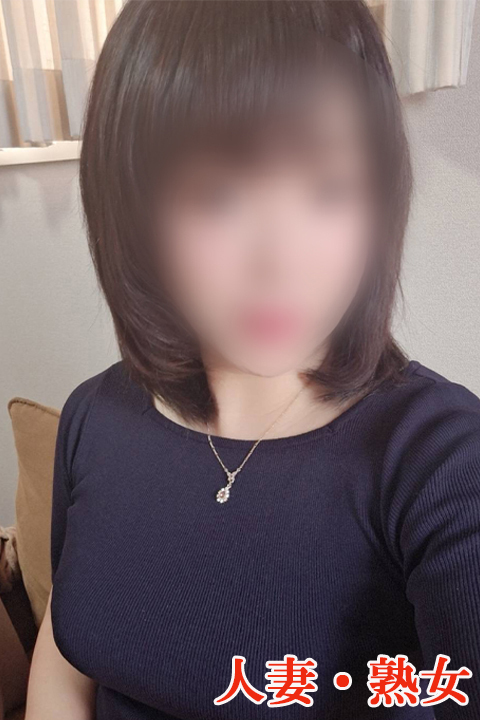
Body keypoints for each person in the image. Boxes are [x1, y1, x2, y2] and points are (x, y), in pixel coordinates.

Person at [25, 1, 480, 719]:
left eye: (329, 190)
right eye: (218, 196)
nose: (281, 261)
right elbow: (68, 653)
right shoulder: (95, 415)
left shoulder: (443, 459)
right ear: (134, 211)